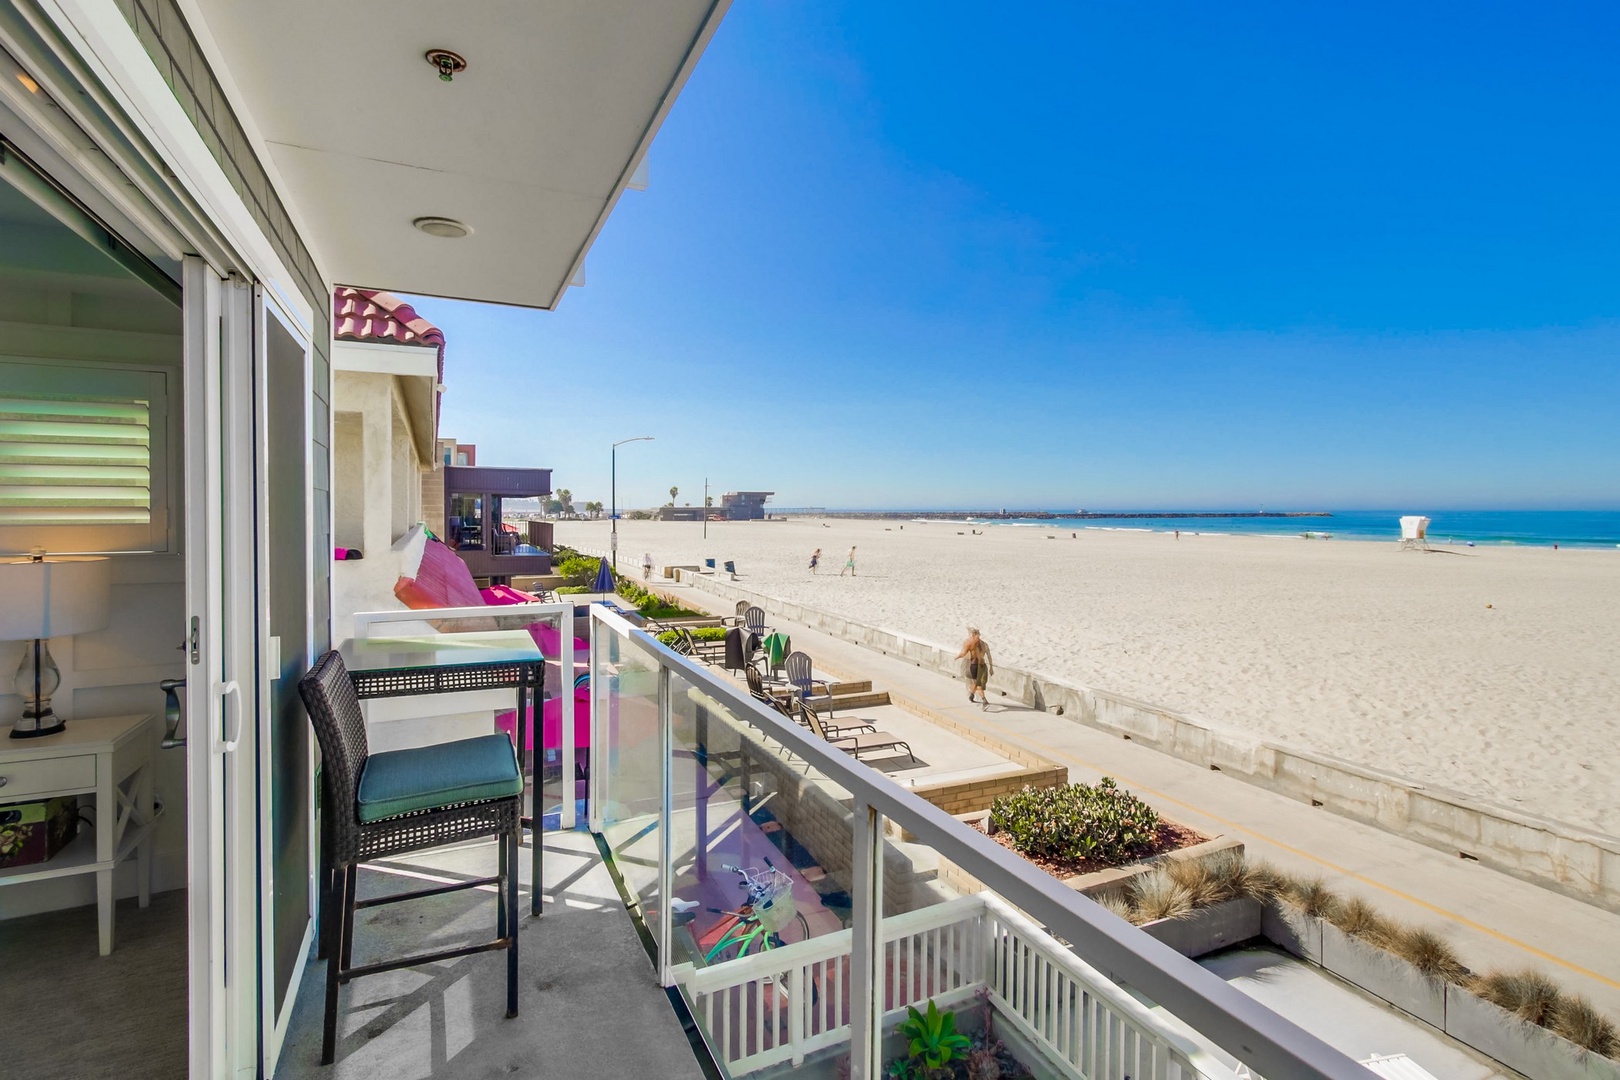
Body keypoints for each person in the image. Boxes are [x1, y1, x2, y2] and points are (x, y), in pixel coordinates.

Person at [956, 627, 993, 709]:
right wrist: (991, 668)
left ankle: (984, 701)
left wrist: (957, 657)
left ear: (973, 635)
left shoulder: (970, 643)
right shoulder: (984, 644)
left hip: (975, 665)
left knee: (977, 684)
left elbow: (963, 653)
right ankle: (972, 695)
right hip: (983, 666)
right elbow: (989, 656)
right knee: (976, 682)